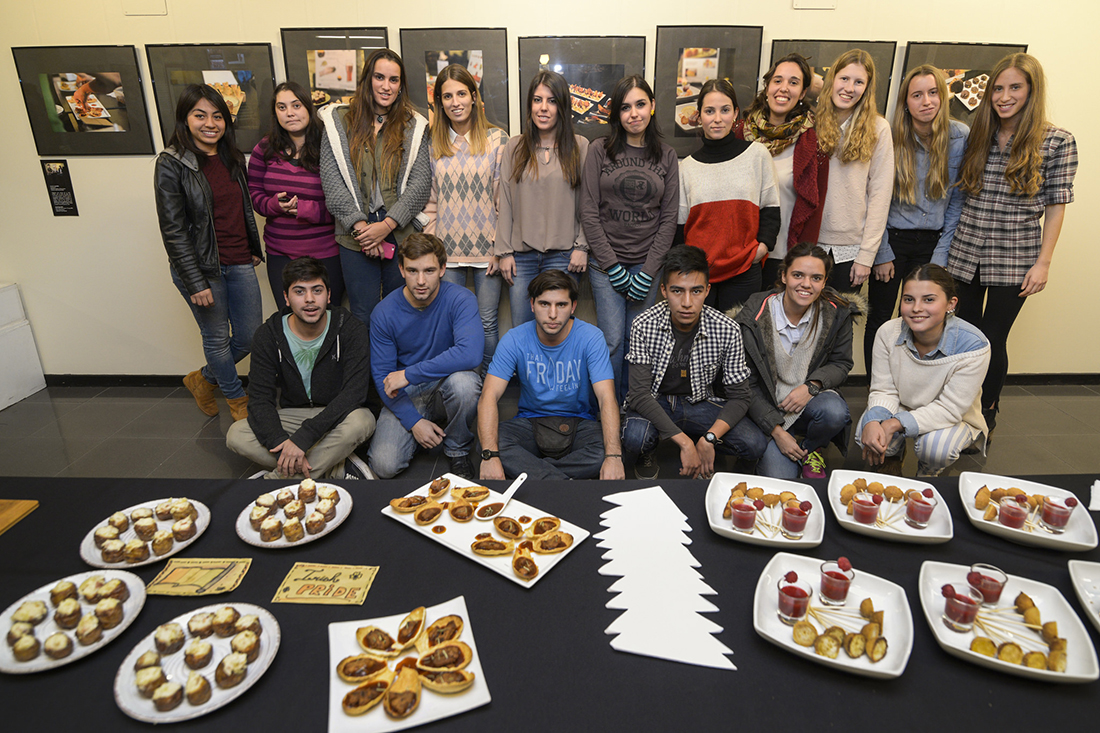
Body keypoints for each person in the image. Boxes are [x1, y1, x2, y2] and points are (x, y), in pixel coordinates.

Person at [947, 53, 1077, 439]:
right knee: (963, 336)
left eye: (1014, 88)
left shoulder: (1057, 141)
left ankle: (986, 412)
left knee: (991, 338)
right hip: (965, 250)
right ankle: (957, 410)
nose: (1004, 96)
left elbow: (1056, 206)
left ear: (1031, 91)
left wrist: (1044, 263)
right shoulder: (979, 135)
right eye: (998, 89)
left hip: (1015, 255)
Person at [155, 83, 263, 422]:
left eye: (218, 116)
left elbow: (242, 207)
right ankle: (236, 400)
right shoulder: (171, 164)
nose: (210, 123)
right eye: (200, 115)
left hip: (239, 259)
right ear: (185, 119)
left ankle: (203, 379)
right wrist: (194, 280)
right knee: (216, 338)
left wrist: (252, 246)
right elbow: (172, 229)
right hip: (201, 269)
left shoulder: (233, 157)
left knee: (248, 336)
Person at [226, 258, 375, 479]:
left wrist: (303, 438)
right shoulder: (268, 334)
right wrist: (280, 440)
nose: (309, 300)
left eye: (317, 290)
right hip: (293, 414)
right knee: (236, 435)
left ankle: (278, 478)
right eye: (299, 291)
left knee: (363, 421)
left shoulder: (351, 329)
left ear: (329, 295)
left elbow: (354, 393)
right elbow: (259, 399)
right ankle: (333, 465)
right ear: (286, 297)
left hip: (338, 414)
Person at [621, 245, 761, 480]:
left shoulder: (727, 328)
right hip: (658, 400)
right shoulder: (643, 324)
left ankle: (706, 446)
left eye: (696, 291)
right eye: (678, 291)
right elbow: (639, 395)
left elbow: (740, 396)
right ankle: (654, 449)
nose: (687, 302)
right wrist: (685, 443)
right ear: (664, 291)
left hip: (700, 402)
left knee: (754, 444)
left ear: (707, 290)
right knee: (635, 438)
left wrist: (709, 439)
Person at [580, 75, 679, 401]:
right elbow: (589, 212)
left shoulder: (666, 156)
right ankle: (607, 412)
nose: (634, 113)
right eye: (625, 107)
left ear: (651, 107)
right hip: (605, 267)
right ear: (616, 114)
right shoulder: (599, 150)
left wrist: (649, 271)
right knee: (612, 341)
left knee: (640, 346)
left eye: (640, 104)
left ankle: (634, 411)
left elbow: (668, 220)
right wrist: (612, 266)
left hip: (647, 268)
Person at [319, 48, 431, 332]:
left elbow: (420, 185)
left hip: (400, 233)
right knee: (363, 314)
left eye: (394, 80)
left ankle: (399, 376)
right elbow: (332, 183)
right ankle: (368, 378)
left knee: (401, 312)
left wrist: (385, 226)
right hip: (353, 235)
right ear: (368, 79)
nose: (386, 86)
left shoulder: (413, 125)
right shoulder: (338, 121)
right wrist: (364, 230)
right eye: (380, 77)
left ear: (401, 86)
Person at [865, 66, 968, 372]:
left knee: (920, 320)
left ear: (943, 96)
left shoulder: (959, 136)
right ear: (906, 102)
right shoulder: (889, 135)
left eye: (933, 92)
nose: (927, 101)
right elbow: (875, 198)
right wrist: (881, 252)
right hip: (892, 240)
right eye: (917, 95)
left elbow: (956, 202)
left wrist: (940, 257)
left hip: (933, 244)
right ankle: (877, 390)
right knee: (881, 317)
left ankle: (912, 386)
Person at [478, 270, 625, 481]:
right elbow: (488, 397)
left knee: (610, 449)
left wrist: (613, 456)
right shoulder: (515, 339)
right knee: (487, 442)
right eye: (544, 304)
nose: (553, 314)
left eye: (561, 305)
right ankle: (563, 482)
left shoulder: (591, 337)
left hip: (579, 423)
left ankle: (534, 475)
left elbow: (607, 398)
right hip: (530, 421)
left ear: (573, 306)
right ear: (532, 305)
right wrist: (490, 456)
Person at [734, 243, 859, 479]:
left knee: (834, 412)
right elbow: (744, 383)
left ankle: (811, 447)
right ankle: (778, 442)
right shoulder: (754, 314)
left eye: (816, 278)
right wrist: (777, 432)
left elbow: (841, 364)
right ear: (783, 275)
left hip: (809, 401)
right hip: (766, 407)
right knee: (781, 479)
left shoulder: (837, 313)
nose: (806, 284)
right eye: (798, 275)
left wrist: (812, 387)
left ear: (824, 282)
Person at [368, 233, 484, 479]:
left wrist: (409, 373)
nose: (421, 281)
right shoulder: (384, 312)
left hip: (446, 381)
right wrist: (414, 422)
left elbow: (471, 354)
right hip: (409, 392)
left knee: (465, 384)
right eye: (412, 271)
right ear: (401, 269)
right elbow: (383, 377)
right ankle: (426, 425)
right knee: (384, 465)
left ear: (443, 269)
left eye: (429, 271)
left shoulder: (461, 299)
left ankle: (457, 449)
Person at [857, 264, 990, 477]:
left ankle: (929, 473)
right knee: (865, 430)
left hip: (953, 416)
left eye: (929, 299)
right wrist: (873, 420)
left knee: (936, 448)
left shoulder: (974, 344)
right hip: (902, 405)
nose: (916, 308)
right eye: (908, 299)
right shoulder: (887, 332)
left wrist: (895, 423)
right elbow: (883, 389)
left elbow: (950, 408)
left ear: (950, 303)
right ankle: (891, 457)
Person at [424, 64, 508, 371]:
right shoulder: (432, 145)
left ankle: (487, 385)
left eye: (461, 93)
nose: (455, 102)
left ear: (474, 98)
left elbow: (505, 201)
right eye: (447, 96)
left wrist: (502, 248)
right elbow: (429, 202)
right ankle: (460, 387)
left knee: (487, 323)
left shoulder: (497, 140)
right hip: (447, 253)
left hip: (489, 251)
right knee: (449, 323)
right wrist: (435, 247)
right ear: (440, 103)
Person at [496, 71, 590, 326]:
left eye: (551, 101)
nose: (544, 108)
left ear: (562, 106)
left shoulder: (580, 147)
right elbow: (505, 200)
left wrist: (582, 247)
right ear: (530, 105)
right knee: (523, 330)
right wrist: (504, 252)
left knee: (558, 328)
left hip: (564, 257)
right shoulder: (515, 147)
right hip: (521, 258)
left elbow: (588, 202)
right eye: (537, 100)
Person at [678, 78, 780, 311]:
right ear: (699, 115)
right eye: (709, 111)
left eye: (725, 110)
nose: (717, 119)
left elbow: (771, 209)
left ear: (735, 113)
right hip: (699, 275)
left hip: (744, 270)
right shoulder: (687, 167)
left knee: (739, 343)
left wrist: (761, 249)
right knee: (700, 344)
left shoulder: (757, 155)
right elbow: (680, 227)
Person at [735, 53, 829, 289]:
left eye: (793, 82)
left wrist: (802, 260)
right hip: (740, 254)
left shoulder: (814, 142)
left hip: (785, 257)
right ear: (767, 86)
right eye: (777, 80)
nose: (783, 88)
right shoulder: (740, 132)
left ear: (804, 92)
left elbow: (815, 208)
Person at [249, 81, 344, 308]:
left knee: (327, 318)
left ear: (309, 108)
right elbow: (253, 194)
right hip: (280, 253)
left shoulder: (329, 147)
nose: (289, 113)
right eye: (282, 107)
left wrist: (305, 209)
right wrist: (273, 205)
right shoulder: (264, 149)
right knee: (288, 320)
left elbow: (344, 204)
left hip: (325, 253)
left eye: (296, 105)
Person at [814, 49, 894, 293]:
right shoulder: (811, 121)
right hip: (809, 242)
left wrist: (866, 256)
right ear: (832, 80)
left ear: (867, 88)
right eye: (844, 79)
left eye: (859, 82)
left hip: (851, 250)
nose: (849, 87)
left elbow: (880, 196)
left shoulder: (878, 129)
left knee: (840, 325)